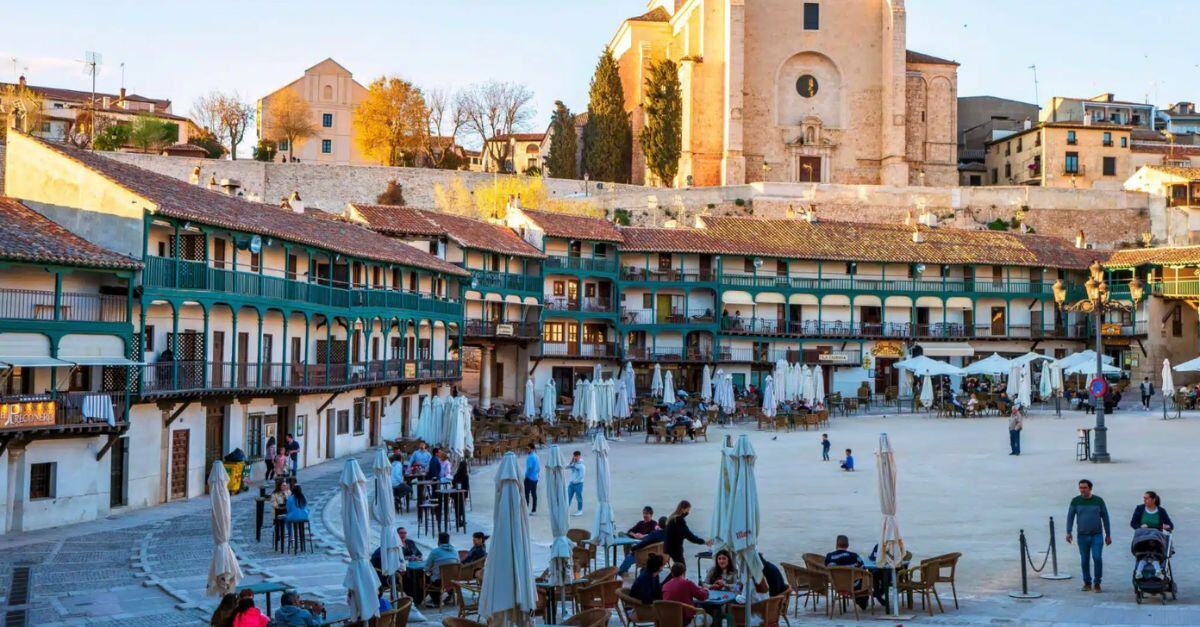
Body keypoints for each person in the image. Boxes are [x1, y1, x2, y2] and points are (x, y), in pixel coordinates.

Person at [1066, 479, 1112, 592]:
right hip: (1082, 536)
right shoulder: (1075, 501)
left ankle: (1097, 583)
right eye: (1080, 487)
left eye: (1085, 488)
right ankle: (1087, 582)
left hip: (1097, 535)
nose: (1082, 490)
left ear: (1090, 488)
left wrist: (1108, 534)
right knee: (1084, 559)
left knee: (1097, 557)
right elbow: (1070, 517)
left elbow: (1105, 518)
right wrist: (1069, 532)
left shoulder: (1099, 501)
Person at [824, 536, 870, 609]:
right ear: (847, 545)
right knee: (865, 579)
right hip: (853, 585)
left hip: (837, 585)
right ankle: (862, 601)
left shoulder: (829, 556)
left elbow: (826, 568)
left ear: (836, 545)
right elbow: (863, 568)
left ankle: (860, 600)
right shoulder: (854, 556)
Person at [664, 500, 709, 565]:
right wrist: (703, 541)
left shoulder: (672, 518)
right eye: (688, 510)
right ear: (683, 509)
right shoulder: (679, 520)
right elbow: (688, 535)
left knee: (678, 569)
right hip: (675, 549)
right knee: (681, 569)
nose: (688, 512)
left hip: (669, 547)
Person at [424, 532, 460, 604]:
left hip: (439, 581)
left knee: (425, 578)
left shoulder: (435, 552)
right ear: (448, 541)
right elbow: (458, 564)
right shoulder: (455, 551)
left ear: (439, 541)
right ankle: (450, 595)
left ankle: (436, 600)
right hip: (453, 580)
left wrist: (431, 570)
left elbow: (426, 567)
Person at [567, 450, 586, 516]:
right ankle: (566, 509)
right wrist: (571, 462)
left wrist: (575, 481)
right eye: (575, 456)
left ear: (579, 456)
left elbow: (581, 476)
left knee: (578, 497)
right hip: (572, 483)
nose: (576, 457)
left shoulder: (582, 466)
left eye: (577, 456)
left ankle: (580, 510)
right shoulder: (574, 463)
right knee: (568, 496)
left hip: (579, 484)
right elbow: (567, 467)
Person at [524, 444, 540, 514]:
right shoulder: (536, 456)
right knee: (534, 494)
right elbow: (539, 468)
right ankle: (534, 510)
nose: (526, 450)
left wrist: (526, 475)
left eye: (528, 448)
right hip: (535, 478)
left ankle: (525, 509)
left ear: (532, 449)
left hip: (529, 478)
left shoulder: (530, 457)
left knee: (526, 494)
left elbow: (529, 468)